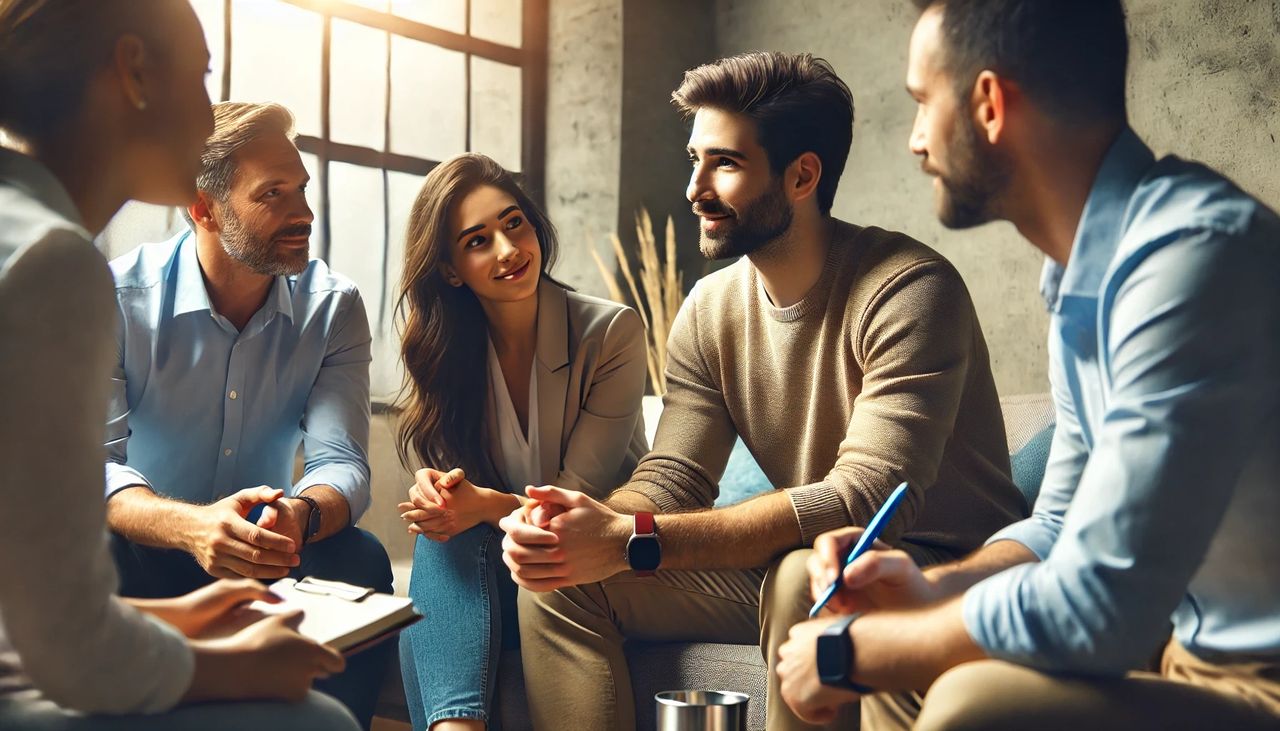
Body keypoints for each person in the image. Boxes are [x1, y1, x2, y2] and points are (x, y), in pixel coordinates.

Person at [776, 2, 1280, 729]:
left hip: (1258, 682)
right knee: (908, 656)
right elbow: (1060, 522)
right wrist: (924, 588)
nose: (915, 141)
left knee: (965, 697)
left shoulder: (1193, 262)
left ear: (988, 104)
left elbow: (1101, 603)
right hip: (1180, 661)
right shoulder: (1081, 280)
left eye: (924, 103)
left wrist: (852, 651)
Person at [500, 51, 1027, 731]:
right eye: (694, 159)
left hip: (936, 564)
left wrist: (631, 537)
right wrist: (587, 527)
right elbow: (671, 480)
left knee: (798, 573)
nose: (693, 188)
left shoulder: (909, 289)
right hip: (800, 554)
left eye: (724, 163)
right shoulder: (710, 307)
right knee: (559, 581)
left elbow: (861, 499)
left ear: (802, 174)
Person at [0, 1, 356, 729]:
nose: (207, 119)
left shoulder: (24, 230)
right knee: (320, 720)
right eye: (200, 76)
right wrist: (239, 666)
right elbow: (68, 649)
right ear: (133, 72)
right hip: (92, 607)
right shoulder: (56, 264)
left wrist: (177, 617)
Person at [101, 100, 392, 728]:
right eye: (274, 194)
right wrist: (191, 527)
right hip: (145, 543)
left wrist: (301, 516)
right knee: (87, 544)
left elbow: (341, 462)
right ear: (203, 208)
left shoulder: (334, 308)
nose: (304, 215)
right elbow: (92, 469)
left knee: (361, 559)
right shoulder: (115, 299)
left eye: (303, 190)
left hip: (266, 547)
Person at [394, 153, 649, 731]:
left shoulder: (611, 333)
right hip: (499, 578)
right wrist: (439, 494)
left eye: (514, 224)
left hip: (592, 572)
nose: (509, 250)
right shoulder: (444, 353)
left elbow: (578, 500)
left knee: (431, 592)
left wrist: (482, 506)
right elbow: (459, 499)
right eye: (478, 240)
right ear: (453, 270)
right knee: (440, 544)